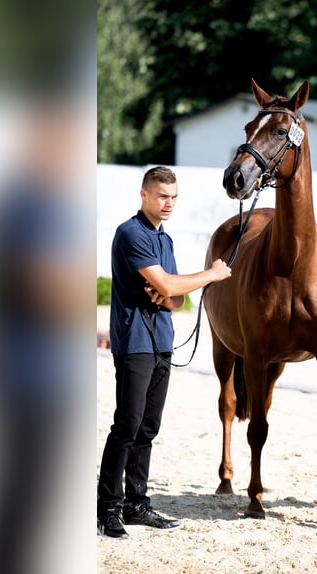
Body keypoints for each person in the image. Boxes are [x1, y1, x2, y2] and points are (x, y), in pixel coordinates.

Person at [97, 166, 231, 539]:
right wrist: (211, 274)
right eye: (161, 196)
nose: (168, 203)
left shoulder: (165, 241)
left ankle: (136, 505)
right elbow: (172, 284)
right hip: (134, 342)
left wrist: (170, 290)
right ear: (144, 195)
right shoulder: (130, 233)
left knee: (148, 427)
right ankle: (107, 508)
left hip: (162, 343)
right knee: (127, 424)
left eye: (173, 197)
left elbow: (175, 299)